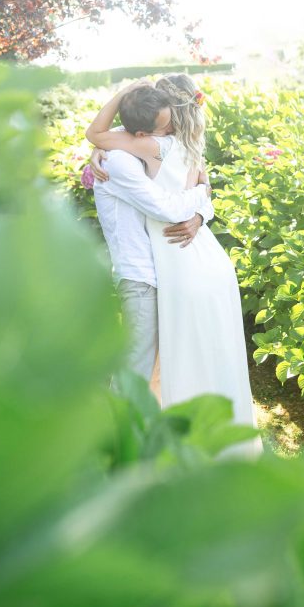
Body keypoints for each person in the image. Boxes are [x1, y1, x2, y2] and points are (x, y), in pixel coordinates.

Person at [87, 75, 261, 451]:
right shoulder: (174, 147)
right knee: (181, 359)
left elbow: (98, 134)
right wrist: (201, 202)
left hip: (174, 267)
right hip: (183, 264)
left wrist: (199, 209)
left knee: (164, 363)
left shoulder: (146, 146)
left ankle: (140, 444)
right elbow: (171, 203)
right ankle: (130, 444)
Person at [88, 82, 214, 385]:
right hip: (141, 277)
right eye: (165, 127)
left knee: (158, 371)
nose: (171, 131)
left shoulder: (135, 147)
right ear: (143, 134)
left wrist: (200, 215)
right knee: (135, 371)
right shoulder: (117, 161)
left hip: (165, 273)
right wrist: (202, 191)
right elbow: (168, 208)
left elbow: (113, 134)